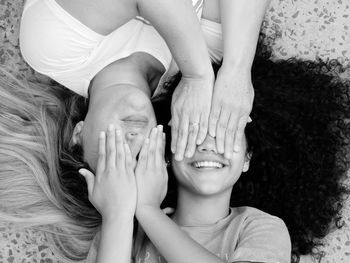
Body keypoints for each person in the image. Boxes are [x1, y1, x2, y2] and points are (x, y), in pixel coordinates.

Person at [20, 0, 271, 164]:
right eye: (143, 158)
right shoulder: (208, 62)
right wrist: (237, 70)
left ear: (79, 133)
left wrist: (197, 74)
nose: (133, 139)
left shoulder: (52, 51)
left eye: (114, 155)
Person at [81, 124, 291, 263]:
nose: (208, 145)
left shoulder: (263, 228)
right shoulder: (128, 229)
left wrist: (148, 209)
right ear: (168, 153)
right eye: (192, 131)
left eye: (226, 132)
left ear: (247, 158)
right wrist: (117, 215)